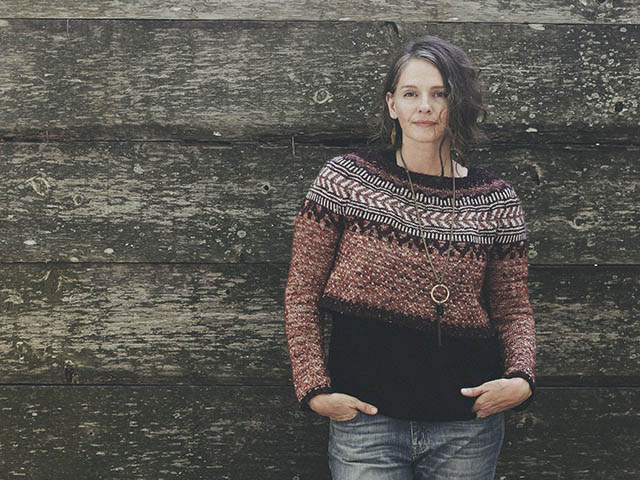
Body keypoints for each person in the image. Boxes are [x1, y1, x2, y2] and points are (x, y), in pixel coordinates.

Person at [283, 35, 536, 479]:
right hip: (365, 422)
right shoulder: (345, 180)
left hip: (466, 427)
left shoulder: (496, 199)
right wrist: (313, 388)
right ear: (391, 104)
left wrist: (520, 377)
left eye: (441, 94)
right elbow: (301, 293)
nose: (426, 107)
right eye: (411, 93)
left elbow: (513, 308)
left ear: (459, 104)